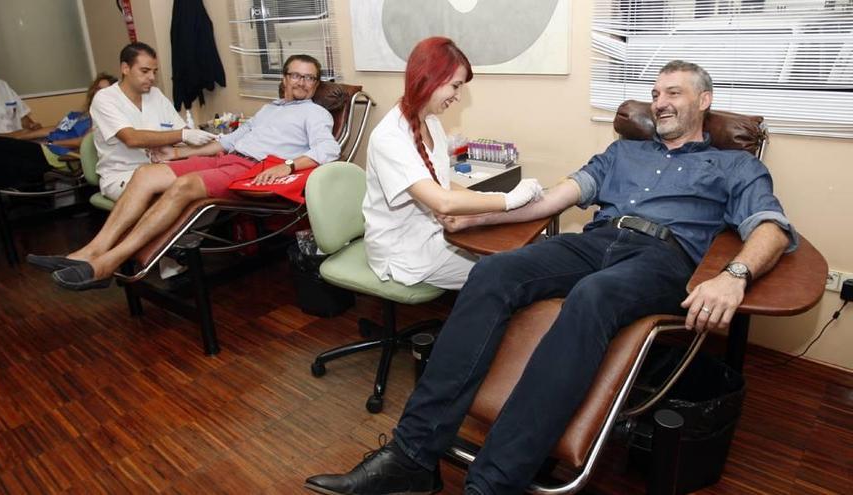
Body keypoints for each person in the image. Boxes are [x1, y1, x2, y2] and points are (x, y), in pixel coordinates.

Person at [304, 60, 798, 495]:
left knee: (592, 296)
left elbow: (771, 228)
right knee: (495, 271)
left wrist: (734, 274)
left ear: (704, 101)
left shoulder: (733, 165)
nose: (660, 102)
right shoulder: (623, 153)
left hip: (661, 258)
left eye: (674, 93)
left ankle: (494, 482)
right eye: (654, 93)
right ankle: (411, 456)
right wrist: (478, 218)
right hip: (598, 240)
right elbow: (553, 198)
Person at [27, 53, 340, 291]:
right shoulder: (270, 108)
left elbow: (328, 150)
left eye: (309, 78)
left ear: (316, 85)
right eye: (295, 75)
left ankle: (107, 264)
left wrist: (286, 165)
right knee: (148, 173)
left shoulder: (315, 113)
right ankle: (89, 251)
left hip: (253, 169)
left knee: (185, 186)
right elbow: (227, 142)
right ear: (284, 78)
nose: (301, 82)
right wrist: (178, 152)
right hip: (228, 158)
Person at [363, 37, 542, 290]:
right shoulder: (389, 137)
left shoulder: (432, 123)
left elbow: (444, 185)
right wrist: (509, 199)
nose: (458, 97)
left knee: (519, 256)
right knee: (505, 278)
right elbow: (443, 200)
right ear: (430, 79)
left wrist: (493, 201)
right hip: (404, 250)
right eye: (455, 86)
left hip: (435, 233)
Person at [87, 42, 217, 201]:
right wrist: (182, 135)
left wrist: (211, 145)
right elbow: (131, 138)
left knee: (205, 185)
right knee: (175, 196)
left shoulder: (155, 95)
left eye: (154, 72)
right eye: (145, 71)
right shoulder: (105, 99)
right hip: (123, 175)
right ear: (125, 68)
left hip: (162, 169)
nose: (152, 78)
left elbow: (182, 132)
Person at [0, 49, 114, 192]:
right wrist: (24, 136)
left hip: (57, 153)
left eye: (105, 90)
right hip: (43, 147)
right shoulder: (78, 115)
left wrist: (51, 143)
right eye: (97, 88)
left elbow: (85, 141)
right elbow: (55, 129)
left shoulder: (102, 117)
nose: (99, 93)